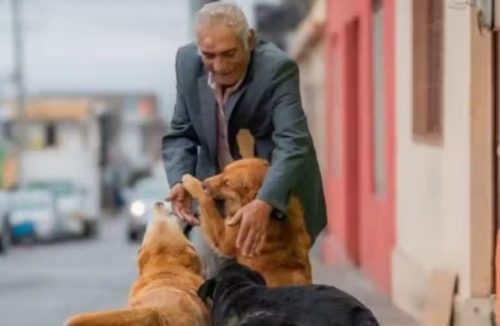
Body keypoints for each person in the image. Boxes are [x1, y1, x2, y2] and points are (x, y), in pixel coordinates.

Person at [163, 2, 326, 275]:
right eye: (209, 55)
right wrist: (180, 180)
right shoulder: (187, 63)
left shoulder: (277, 69)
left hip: (276, 195)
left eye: (229, 54)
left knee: (276, 291)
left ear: (249, 40)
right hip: (218, 191)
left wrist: (265, 202)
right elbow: (181, 132)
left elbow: (292, 142)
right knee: (207, 270)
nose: (219, 66)